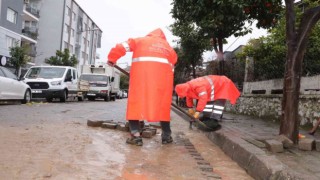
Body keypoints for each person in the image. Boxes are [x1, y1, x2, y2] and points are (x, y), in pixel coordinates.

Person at [107, 28, 177, 146]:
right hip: (162, 84)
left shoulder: (141, 41)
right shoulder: (169, 49)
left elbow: (121, 47)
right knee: (162, 108)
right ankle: (166, 136)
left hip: (141, 80)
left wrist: (112, 59)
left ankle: (135, 136)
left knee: (135, 105)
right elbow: (173, 63)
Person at [175, 75, 240, 130]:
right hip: (214, 87)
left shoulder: (198, 86)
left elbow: (203, 98)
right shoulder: (188, 86)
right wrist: (190, 107)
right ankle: (206, 117)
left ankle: (214, 120)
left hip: (221, 86)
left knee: (217, 105)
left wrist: (198, 111)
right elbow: (188, 96)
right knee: (208, 104)